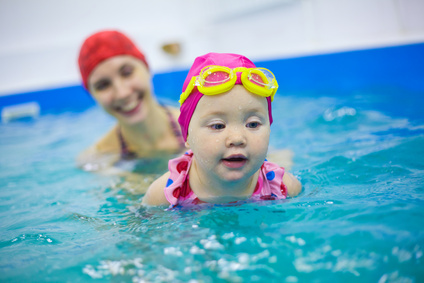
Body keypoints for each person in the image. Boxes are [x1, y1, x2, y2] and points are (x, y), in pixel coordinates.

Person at [142, 53, 302, 207]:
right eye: (218, 126)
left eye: (253, 124)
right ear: (188, 136)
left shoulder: (284, 187)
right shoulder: (166, 194)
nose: (237, 138)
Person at [76, 30, 185, 175]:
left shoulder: (196, 127)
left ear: (147, 69)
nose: (122, 93)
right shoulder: (96, 159)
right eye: (103, 85)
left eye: (127, 73)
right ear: (93, 95)